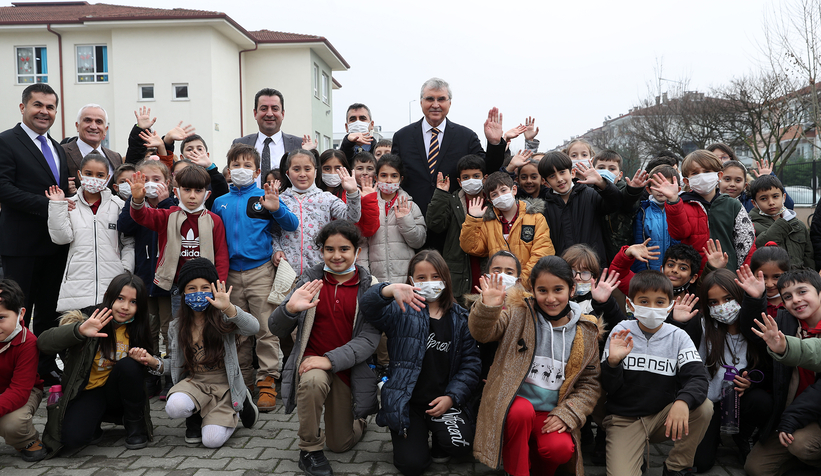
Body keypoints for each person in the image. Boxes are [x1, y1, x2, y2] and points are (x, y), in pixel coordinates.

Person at [469, 255, 602, 476]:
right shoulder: (518, 314)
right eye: (542, 291)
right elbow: (482, 333)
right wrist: (488, 307)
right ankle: (517, 471)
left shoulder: (586, 331)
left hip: (551, 412)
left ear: (571, 290)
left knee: (560, 450)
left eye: (558, 290)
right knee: (521, 412)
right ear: (533, 290)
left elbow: (590, 384)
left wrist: (567, 414)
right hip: (515, 407)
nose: (550, 298)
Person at [269, 220, 379, 476]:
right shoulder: (308, 281)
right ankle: (309, 450)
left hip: (345, 368)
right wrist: (288, 310)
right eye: (329, 249)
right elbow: (275, 328)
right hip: (311, 363)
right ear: (321, 252)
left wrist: (329, 360)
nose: (337, 255)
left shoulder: (370, 287)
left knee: (340, 445)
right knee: (312, 382)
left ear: (357, 252)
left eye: (344, 249)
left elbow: (368, 342)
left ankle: (359, 421)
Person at [361, 249, 481, 476]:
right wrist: (388, 290)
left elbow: (471, 364)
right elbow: (368, 307)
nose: (429, 282)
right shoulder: (400, 310)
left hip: (443, 401)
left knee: (460, 447)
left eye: (436, 277)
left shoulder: (461, 318)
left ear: (446, 278)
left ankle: (439, 436)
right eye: (422, 278)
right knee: (412, 465)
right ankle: (416, 436)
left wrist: (452, 397)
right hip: (408, 404)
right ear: (411, 281)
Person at [129, 258, 260, 448]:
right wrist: (152, 362)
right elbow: (175, 364)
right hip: (195, 383)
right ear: (182, 292)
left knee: (211, 441)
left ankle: (240, 403)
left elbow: (253, 327)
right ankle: (197, 417)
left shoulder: (224, 318)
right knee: (175, 407)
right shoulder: (177, 327)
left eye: (205, 287)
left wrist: (228, 307)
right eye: (191, 288)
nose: (198, 293)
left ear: (214, 290)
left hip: (225, 386)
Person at [212, 144, 299, 412]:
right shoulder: (219, 202)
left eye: (247, 165)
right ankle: (243, 382)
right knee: (238, 331)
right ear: (228, 171)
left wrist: (276, 209)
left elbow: (291, 225)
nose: (241, 170)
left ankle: (267, 383)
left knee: (265, 329)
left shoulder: (264, 197)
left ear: (257, 171)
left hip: (260, 271)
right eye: (236, 165)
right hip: (230, 276)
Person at [601, 270, 712, 476]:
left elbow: (697, 378)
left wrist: (682, 402)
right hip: (626, 420)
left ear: (670, 305)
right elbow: (608, 387)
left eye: (660, 302)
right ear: (630, 304)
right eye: (644, 301)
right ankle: (633, 456)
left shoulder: (678, 336)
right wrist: (613, 363)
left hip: (664, 417)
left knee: (704, 408)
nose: (652, 308)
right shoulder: (620, 332)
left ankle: (676, 467)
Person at [38, 272, 154, 454]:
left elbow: (149, 368)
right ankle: (94, 422)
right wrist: (79, 330)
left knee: (129, 366)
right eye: (120, 298)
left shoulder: (142, 324)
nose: (125, 307)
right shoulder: (88, 317)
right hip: (88, 391)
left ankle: (135, 426)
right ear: (109, 297)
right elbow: (43, 343)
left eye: (133, 302)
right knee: (71, 439)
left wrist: (147, 360)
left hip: (119, 391)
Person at [0, 83, 70, 385]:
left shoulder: (56, 147)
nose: (44, 111)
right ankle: (13, 373)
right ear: (23, 108)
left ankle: (43, 367)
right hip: (21, 245)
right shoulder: (6, 142)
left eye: (50, 107)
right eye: (38, 105)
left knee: (48, 311)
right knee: (18, 311)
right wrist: (49, 205)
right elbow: (4, 189)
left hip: (54, 246)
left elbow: (62, 191)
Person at [676, 267, 772, 472]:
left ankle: (743, 435)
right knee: (701, 463)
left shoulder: (755, 330)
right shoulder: (701, 326)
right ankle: (713, 435)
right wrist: (678, 323)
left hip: (739, 399)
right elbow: (676, 352)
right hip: (707, 402)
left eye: (728, 299)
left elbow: (769, 369)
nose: (722, 307)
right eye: (713, 302)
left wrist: (751, 382)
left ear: (739, 296)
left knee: (762, 402)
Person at [743, 269, 821, 475]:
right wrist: (755, 298)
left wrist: (785, 347)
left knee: (801, 445)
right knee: (755, 468)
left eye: (802, 292)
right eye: (787, 297)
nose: (795, 300)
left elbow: (812, 354)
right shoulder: (786, 322)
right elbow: (755, 332)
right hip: (792, 414)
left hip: (811, 415)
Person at [390, 78, 506, 216]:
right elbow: (394, 175)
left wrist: (494, 143)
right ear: (421, 102)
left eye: (441, 99)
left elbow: (487, 170)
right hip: (411, 216)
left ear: (449, 103)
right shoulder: (402, 137)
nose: (435, 104)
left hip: (453, 219)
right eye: (430, 99)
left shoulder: (466, 137)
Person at [46, 153, 134, 314]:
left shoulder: (119, 205)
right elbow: (61, 238)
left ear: (108, 177)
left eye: (100, 175)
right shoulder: (70, 205)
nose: (94, 178)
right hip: (77, 286)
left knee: (110, 336)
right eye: (88, 174)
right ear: (79, 175)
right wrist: (57, 206)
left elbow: (128, 242)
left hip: (113, 285)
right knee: (79, 335)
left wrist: (125, 270)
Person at [117, 158, 176, 398]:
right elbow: (125, 226)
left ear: (168, 183)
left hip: (167, 282)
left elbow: (175, 225)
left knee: (169, 330)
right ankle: (151, 374)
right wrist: (137, 199)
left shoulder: (173, 206)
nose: (151, 184)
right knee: (147, 330)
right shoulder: (134, 204)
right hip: (143, 280)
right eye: (145, 180)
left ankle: (172, 375)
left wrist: (165, 202)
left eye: (157, 180)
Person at [128, 164, 230, 292]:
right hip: (176, 287)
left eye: (198, 191)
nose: (192, 196)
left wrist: (219, 286)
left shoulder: (214, 220)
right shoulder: (167, 216)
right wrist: (137, 200)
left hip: (207, 287)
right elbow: (141, 216)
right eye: (187, 189)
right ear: (176, 192)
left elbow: (221, 257)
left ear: (207, 195)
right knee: (178, 313)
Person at [651, 150, 757, 272]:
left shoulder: (733, 205)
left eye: (707, 171)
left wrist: (743, 272)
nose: (701, 176)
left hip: (728, 274)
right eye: (695, 173)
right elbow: (678, 234)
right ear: (686, 181)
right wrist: (674, 201)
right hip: (695, 274)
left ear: (719, 175)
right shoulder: (683, 204)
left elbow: (746, 242)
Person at [273, 149, 361, 275]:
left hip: (319, 271)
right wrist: (276, 250)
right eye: (296, 169)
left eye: (307, 169)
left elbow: (352, 218)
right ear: (287, 173)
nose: (302, 174)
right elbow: (273, 231)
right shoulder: (280, 200)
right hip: (287, 272)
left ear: (315, 172)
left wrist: (352, 193)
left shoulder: (327, 198)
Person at [460, 171, 554, 287]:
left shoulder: (536, 219)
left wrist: (520, 281)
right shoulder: (488, 223)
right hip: (498, 286)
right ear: (490, 201)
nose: (500, 196)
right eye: (494, 194)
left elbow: (542, 253)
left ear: (514, 190)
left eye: (503, 190)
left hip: (528, 286)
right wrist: (473, 219)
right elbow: (472, 247)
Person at [539, 151, 622, 265]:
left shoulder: (590, 194)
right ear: (546, 183)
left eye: (562, 172)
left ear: (572, 173)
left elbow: (615, 203)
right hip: (562, 271)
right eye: (552, 176)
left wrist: (602, 183)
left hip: (593, 268)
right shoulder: (544, 208)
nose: (559, 179)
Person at [426, 154, 487, 302]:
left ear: (484, 178)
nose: (471, 180)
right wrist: (441, 193)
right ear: (459, 181)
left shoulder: (492, 201)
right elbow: (435, 224)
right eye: (466, 177)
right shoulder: (452, 200)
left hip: (484, 268)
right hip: (458, 273)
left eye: (476, 176)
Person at [0, 279, 48, 462]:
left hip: (25, 392)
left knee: (13, 424)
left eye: (1, 318)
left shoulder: (28, 343)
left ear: (21, 314)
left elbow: (19, 391)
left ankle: (27, 440)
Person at [365, 154, 426, 283]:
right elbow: (361, 243)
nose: (388, 180)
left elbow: (418, 242)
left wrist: (405, 220)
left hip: (405, 279)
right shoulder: (368, 204)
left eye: (394, 176)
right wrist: (365, 276)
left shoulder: (410, 206)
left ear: (400, 179)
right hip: (375, 280)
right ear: (376, 177)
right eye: (384, 175)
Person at [233, 88, 303, 180]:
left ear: (282, 114)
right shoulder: (240, 143)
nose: (269, 114)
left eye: (275, 109)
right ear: (255, 113)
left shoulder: (299, 144)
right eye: (264, 109)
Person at [592, 149, 649, 262]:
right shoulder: (588, 191)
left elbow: (628, 203)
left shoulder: (624, 189)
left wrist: (633, 191)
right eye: (601, 168)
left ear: (620, 175)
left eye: (612, 169)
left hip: (620, 252)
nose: (606, 171)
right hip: (595, 252)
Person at [749, 175, 814, 269]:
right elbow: (759, 245)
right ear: (754, 203)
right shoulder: (751, 226)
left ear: (784, 198)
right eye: (763, 198)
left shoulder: (799, 226)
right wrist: (783, 221)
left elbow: (809, 258)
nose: (771, 202)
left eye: (775, 196)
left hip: (798, 280)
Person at [316, 149, 379, 239]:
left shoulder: (352, 195)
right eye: (327, 168)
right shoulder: (313, 194)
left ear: (347, 170)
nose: (333, 173)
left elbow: (368, 230)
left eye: (338, 168)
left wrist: (368, 200)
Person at [632, 164, 680, 272]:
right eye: (656, 186)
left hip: (673, 270)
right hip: (649, 269)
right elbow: (638, 241)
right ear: (649, 190)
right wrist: (642, 270)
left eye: (666, 185)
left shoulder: (680, 211)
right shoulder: (642, 211)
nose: (661, 190)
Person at [62, 104, 122, 185]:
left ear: (105, 130)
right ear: (77, 126)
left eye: (99, 122)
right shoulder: (61, 152)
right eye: (88, 120)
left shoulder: (116, 158)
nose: (93, 126)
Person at [750, 245, 791, 319]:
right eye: (762, 276)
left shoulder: (794, 302)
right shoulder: (747, 302)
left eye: (776, 277)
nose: (769, 284)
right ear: (752, 274)